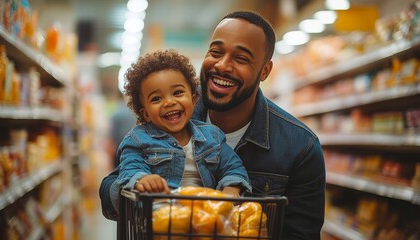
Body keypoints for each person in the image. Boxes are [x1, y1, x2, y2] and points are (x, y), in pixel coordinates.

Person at [100, 11, 325, 239]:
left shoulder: (301, 147)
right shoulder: (168, 121)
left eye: (241, 58)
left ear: (265, 71)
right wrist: (137, 186)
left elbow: (301, 233)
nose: (222, 65)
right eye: (215, 52)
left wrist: (232, 193)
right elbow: (114, 184)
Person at [110, 49, 251, 211]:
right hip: (161, 216)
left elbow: (232, 166)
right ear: (146, 113)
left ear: (193, 100)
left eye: (177, 93)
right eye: (156, 98)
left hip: (206, 214)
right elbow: (129, 167)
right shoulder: (137, 139)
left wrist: (232, 187)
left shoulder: (212, 136)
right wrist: (142, 179)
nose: (169, 102)